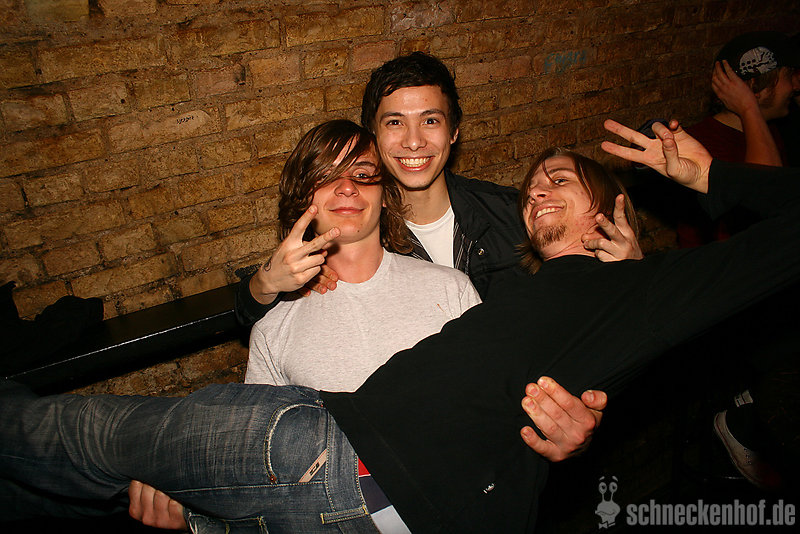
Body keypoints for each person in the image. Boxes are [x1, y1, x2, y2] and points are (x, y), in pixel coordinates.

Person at [3, 120, 799, 533]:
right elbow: (505, 405)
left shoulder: (627, 292)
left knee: (65, 441)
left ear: (609, 207)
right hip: (321, 472)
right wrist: (185, 500)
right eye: (530, 184)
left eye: (560, 179)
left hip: (371, 491)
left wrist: (712, 176)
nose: (536, 191)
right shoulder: (520, 300)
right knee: (63, 457)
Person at [127, 119, 607, 530]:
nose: (347, 188)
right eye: (326, 176)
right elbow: (260, 467)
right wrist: (183, 485)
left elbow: (507, 419)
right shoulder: (274, 326)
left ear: (385, 195)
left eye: (362, 174)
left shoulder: (451, 290)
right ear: (302, 198)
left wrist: (561, 431)